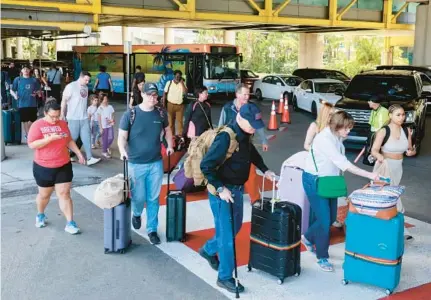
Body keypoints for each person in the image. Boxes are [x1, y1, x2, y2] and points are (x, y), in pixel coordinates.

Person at [199, 103, 275, 294]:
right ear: (240, 118)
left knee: (235, 228)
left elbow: (251, 152)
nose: (253, 129)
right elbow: (206, 165)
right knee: (227, 238)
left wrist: (265, 170)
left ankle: (208, 250)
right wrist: (220, 188)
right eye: (251, 125)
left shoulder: (245, 134)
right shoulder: (226, 137)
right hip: (222, 193)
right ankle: (224, 277)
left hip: (237, 191)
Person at [301, 110, 379, 272]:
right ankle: (322, 257)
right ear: (336, 126)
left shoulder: (336, 137)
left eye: (349, 128)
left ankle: (307, 237)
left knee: (329, 219)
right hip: (315, 181)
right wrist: (370, 175)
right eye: (346, 128)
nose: (348, 131)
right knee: (324, 221)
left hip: (328, 181)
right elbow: (345, 164)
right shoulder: (325, 139)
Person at [118, 82, 174, 245]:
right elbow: (122, 136)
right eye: (149, 95)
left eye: (155, 95)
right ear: (142, 95)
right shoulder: (131, 114)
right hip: (135, 164)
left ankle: (152, 229)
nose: (152, 98)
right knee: (138, 197)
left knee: (153, 198)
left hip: (155, 163)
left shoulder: (161, 113)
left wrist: (170, 145)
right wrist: (122, 150)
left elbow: (168, 131)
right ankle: (136, 213)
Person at [27, 101, 85, 234]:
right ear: (45, 113)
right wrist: (49, 139)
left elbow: (69, 140)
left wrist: (78, 153)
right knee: (44, 195)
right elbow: (32, 145)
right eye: (52, 116)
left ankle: (70, 223)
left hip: (63, 164)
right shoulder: (37, 125)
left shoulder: (63, 124)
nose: (55, 119)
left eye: (57, 116)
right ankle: (40, 214)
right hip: (43, 166)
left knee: (64, 194)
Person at [371, 104, 416, 240]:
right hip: (384, 166)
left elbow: (409, 150)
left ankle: (382, 227)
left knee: (388, 197)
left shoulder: (405, 130)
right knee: (393, 195)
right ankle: (401, 229)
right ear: (390, 115)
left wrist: (411, 152)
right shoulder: (384, 131)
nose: (401, 117)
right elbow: (374, 150)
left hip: (398, 167)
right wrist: (379, 157)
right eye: (398, 115)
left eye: (403, 114)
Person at [218, 84, 269, 204]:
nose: (247, 96)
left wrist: (264, 140)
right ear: (237, 94)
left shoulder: (252, 108)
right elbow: (220, 125)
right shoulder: (227, 108)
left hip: (246, 144)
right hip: (229, 145)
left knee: (251, 172)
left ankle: (255, 199)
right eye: (244, 94)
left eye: (248, 94)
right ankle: (225, 192)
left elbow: (258, 125)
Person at [303, 102, 343, 228]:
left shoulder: (335, 129)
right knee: (320, 206)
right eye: (331, 114)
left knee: (332, 201)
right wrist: (321, 152)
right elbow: (306, 145)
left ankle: (329, 220)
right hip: (319, 170)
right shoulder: (315, 126)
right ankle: (317, 230)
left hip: (334, 169)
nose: (333, 116)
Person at [61, 71, 101, 166]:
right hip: (73, 117)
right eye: (86, 80)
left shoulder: (86, 88)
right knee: (73, 138)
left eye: (88, 80)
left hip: (84, 117)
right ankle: (63, 155)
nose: (87, 82)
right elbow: (64, 100)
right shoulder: (71, 86)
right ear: (81, 77)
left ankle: (89, 158)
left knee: (86, 137)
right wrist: (62, 113)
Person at [10, 65, 41, 141]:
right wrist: (15, 96)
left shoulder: (34, 80)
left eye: (27, 69)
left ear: (30, 70)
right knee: (24, 120)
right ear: (21, 71)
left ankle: (29, 133)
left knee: (32, 120)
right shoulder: (18, 79)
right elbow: (12, 90)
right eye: (24, 69)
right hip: (22, 103)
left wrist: (36, 93)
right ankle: (28, 135)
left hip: (32, 103)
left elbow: (39, 90)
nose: (26, 70)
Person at [162, 70, 187, 135]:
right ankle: (172, 137)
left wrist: (182, 83)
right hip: (170, 105)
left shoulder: (182, 83)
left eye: (179, 77)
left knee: (180, 123)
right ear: (174, 76)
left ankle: (180, 138)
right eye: (177, 76)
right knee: (170, 123)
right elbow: (164, 93)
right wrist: (163, 104)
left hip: (180, 106)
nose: (178, 78)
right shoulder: (169, 83)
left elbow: (185, 92)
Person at [97, 93, 115, 158]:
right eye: (104, 99)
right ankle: (104, 152)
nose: (106, 100)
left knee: (111, 137)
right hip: (104, 126)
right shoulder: (100, 108)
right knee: (105, 139)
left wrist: (112, 120)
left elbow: (113, 115)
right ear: (101, 100)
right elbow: (99, 119)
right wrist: (100, 127)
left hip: (110, 125)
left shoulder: (110, 107)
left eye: (106, 99)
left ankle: (107, 146)